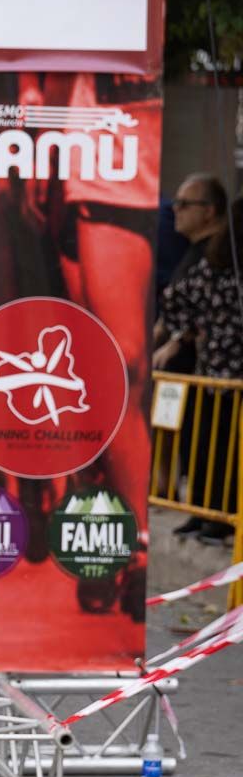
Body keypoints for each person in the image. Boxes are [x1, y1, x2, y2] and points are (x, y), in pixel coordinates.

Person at [160, 197, 242, 545]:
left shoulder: (214, 261)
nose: (176, 210)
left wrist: (183, 333)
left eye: (185, 203)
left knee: (212, 441)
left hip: (214, 365)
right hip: (221, 368)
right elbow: (180, 299)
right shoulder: (218, 262)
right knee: (216, 442)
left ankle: (209, 513)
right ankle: (211, 514)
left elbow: (177, 299)